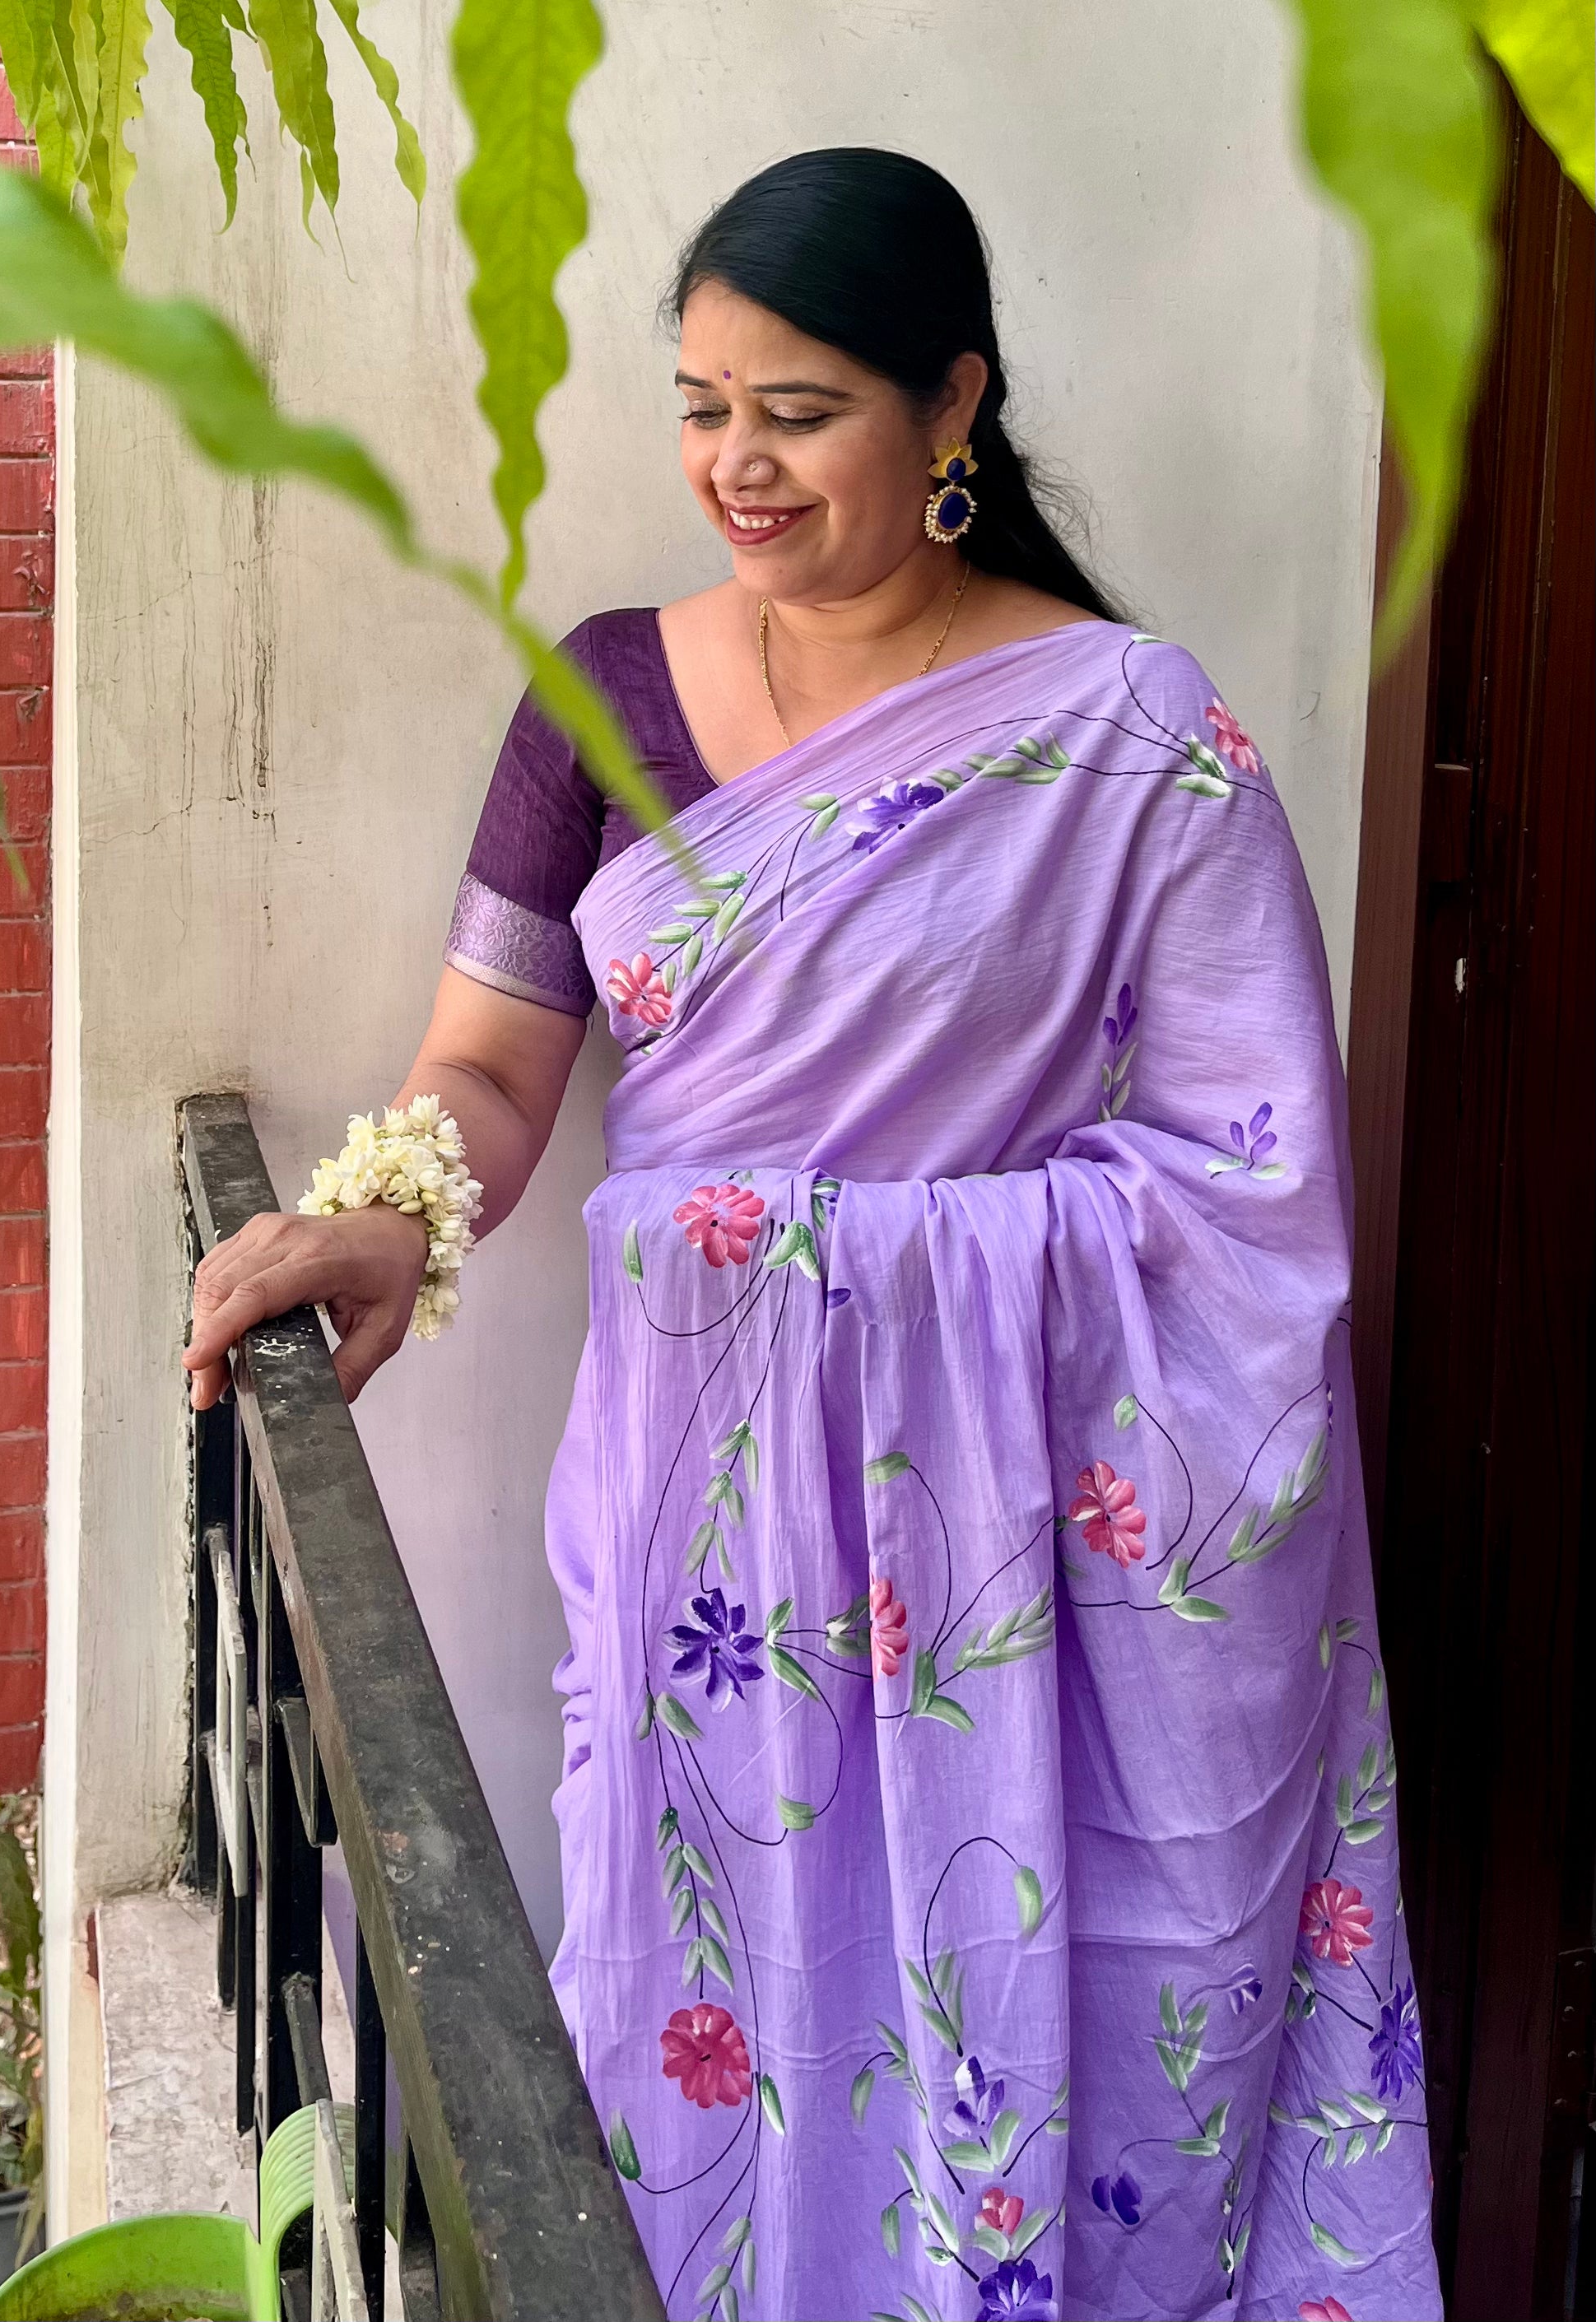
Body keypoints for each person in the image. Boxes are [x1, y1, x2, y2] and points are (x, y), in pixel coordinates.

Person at [184, 148, 1440, 2322]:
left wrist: (876, 1256)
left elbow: (1256, 1204)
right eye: (699, 406)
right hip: (704, 1547)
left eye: (797, 410)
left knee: (1012, 2045)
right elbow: (493, 1071)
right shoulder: (600, 701)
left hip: (1018, 1575)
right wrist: (386, 1223)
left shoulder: (1136, 745)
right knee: (702, 2036)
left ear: (952, 408)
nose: (732, 466)